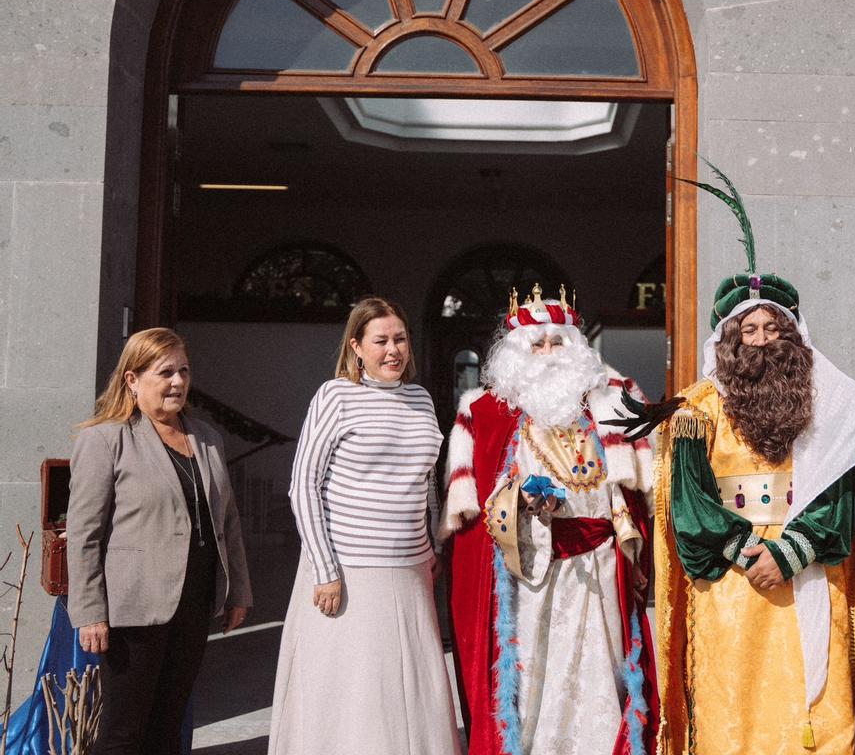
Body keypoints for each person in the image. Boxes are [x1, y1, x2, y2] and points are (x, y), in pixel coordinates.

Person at [638, 161, 855, 754]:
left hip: (807, 572)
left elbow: (839, 498)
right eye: (750, 330)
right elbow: (688, 505)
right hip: (734, 584)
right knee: (732, 714)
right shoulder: (696, 409)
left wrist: (789, 553)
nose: (762, 339)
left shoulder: (832, 406)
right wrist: (751, 553)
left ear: (792, 335)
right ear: (729, 338)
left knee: (812, 711)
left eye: (774, 328)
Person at [440, 284, 657, 755]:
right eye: (536, 344)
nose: (548, 353)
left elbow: (635, 495)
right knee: (534, 677)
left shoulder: (611, 399)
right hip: (529, 574)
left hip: (600, 567)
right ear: (516, 354)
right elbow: (477, 518)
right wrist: (522, 506)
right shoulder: (488, 412)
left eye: (557, 341)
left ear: (576, 348)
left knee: (602, 675)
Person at [268, 297, 460, 755]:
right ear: (356, 346)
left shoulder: (421, 398)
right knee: (354, 695)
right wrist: (325, 569)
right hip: (348, 571)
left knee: (410, 691)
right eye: (381, 341)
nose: (393, 350)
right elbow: (304, 485)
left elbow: (426, 482)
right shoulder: (334, 395)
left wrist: (432, 546)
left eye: (400, 339)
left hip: (410, 569)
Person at [67, 327, 252, 755]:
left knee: (168, 726)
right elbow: (84, 533)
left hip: (194, 603)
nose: (178, 382)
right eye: (165, 372)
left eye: (184, 371)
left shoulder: (206, 438)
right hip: (134, 608)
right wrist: (90, 612)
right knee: (123, 733)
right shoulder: (105, 439)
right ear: (132, 380)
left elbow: (228, 520)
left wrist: (238, 589)